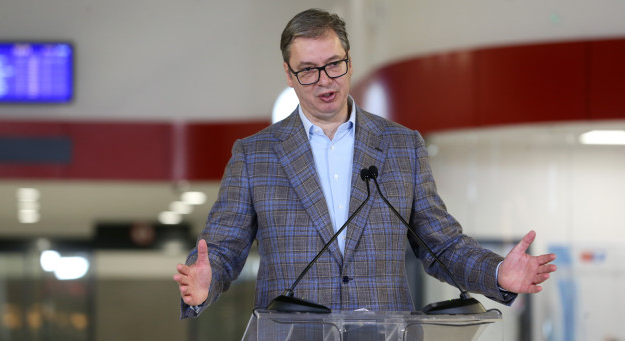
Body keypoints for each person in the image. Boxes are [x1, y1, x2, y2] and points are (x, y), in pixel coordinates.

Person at [174, 8, 557, 318]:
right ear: (289, 76)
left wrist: (496, 274)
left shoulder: (401, 146)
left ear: (350, 62)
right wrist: (204, 285)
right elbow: (223, 250)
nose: (325, 80)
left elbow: (441, 245)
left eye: (333, 64)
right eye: (308, 70)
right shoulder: (254, 155)